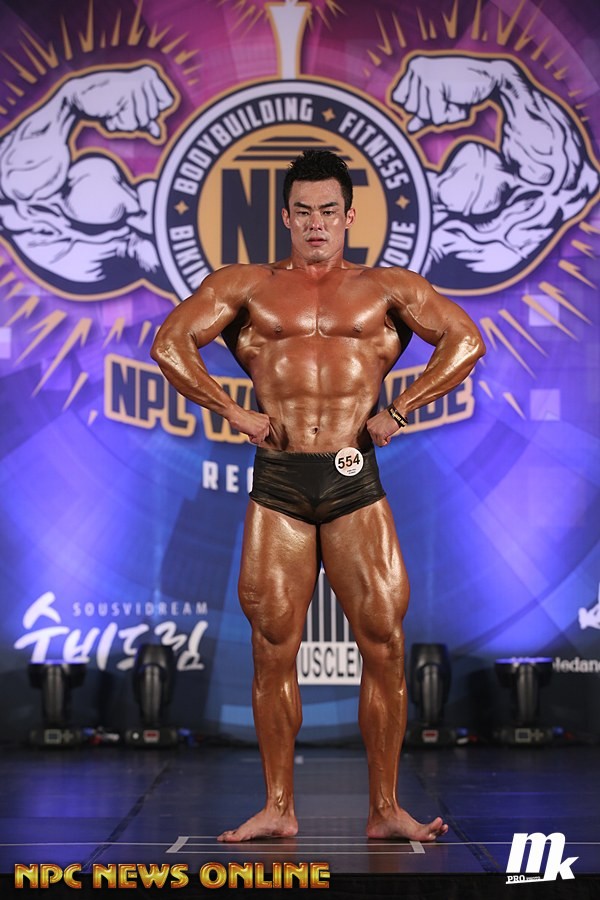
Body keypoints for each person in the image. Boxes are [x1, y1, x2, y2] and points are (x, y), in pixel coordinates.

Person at [151, 149, 485, 843]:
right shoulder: (248, 286)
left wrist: (402, 408)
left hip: (353, 478)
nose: (315, 223)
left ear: (349, 216)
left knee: (384, 644)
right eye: (303, 211)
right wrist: (232, 411)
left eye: (328, 211)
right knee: (273, 647)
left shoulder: (384, 287)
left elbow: (466, 340)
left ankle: (386, 809)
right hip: (279, 481)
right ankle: (278, 806)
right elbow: (170, 343)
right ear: (285, 216)